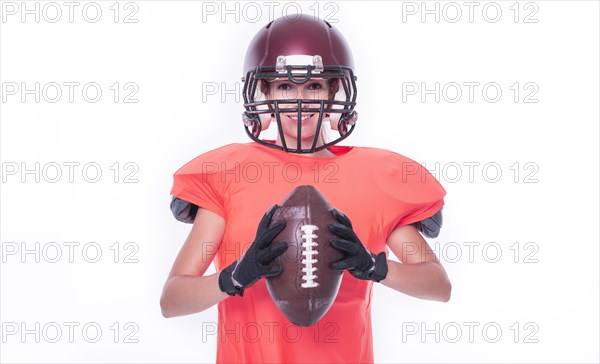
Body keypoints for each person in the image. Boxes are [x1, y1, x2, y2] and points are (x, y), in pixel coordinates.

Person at [160, 14, 451, 363]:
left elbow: (439, 286)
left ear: (332, 91)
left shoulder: (376, 177)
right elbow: (172, 300)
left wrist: (374, 266)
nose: (300, 101)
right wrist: (234, 276)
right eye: (285, 86)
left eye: (313, 86)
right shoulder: (230, 173)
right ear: (265, 93)